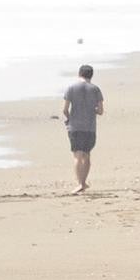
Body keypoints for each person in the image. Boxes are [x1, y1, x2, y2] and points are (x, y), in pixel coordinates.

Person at [63, 64, 104, 195]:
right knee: (86, 155)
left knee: (77, 155)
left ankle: (80, 184)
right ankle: (83, 182)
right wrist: (92, 110)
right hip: (90, 127)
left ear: (79, 74)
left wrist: (69, 119)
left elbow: (65, 110)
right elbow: (100, 111)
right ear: (91, 75)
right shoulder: (95, 89)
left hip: (75, 127)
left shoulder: (71, 88)